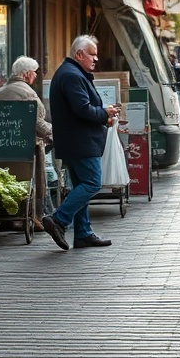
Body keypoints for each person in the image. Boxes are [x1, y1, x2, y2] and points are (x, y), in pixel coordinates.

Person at [42, 35, 120, 250]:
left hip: (74, 141)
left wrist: (104, 114)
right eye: (92, 54)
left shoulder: (71, 73)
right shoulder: (72, 75)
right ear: (79, 54)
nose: (96, 59)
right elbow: (82, 109)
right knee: (93, 183)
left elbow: (80, 107)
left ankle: (83, 233)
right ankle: (58, 218)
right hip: (81, 142)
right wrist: (103, 113)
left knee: (80, 185)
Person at [0, 56, 53, 230]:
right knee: (29, 180)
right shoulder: (27, 92)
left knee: (8, 181)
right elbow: (36, 122)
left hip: (3, 146)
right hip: (26, 147)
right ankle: (31, 216)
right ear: (27, 74)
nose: (35, 77)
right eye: (34, 73)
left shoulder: (1, 91)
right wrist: (53, 132)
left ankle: (9, 215)